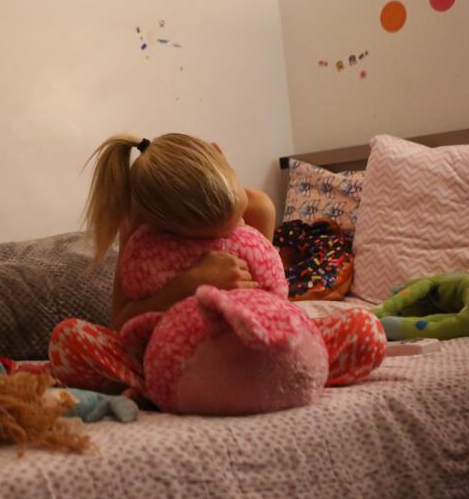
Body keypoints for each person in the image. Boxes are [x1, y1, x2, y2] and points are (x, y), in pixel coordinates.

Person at [47, 133, 385, 397]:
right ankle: (175, 385)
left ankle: (279, 370)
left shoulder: (258, 208)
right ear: (158, 223)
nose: (233, 229)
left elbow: (272, 296)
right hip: (172, 352)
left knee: (365, 329)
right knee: (69, 338)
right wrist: (187, 286)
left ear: (220, 154)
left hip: (253, 342)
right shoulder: (137, 227)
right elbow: (122, 324)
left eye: (234, 220)